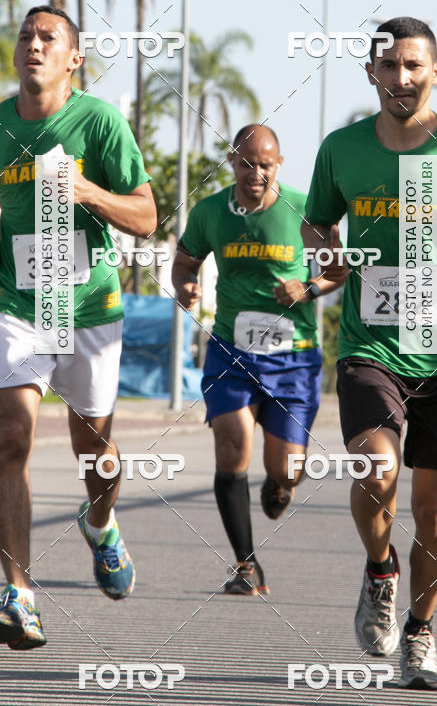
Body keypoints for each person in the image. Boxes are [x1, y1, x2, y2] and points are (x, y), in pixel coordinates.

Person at [302, 17, 437, 689]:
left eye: (413, 67)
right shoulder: (342, 149)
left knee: (433, 512)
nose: (401, 79)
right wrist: (324, 249)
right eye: (389, 67)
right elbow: (316, 218)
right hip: (370, 344)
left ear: (436, 71)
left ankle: (420, 634)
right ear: (371, 73)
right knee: (376, 469)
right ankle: (380, 569)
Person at [0, 6, 156, 648]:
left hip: (89, 311)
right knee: (11, 437)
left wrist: (88, 193)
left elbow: (148, 217)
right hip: (18, 307)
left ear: (74, 59)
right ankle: (20, 595)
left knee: (93, 454)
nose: (34, 45)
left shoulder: (98, 121)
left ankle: (100, 526)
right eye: (25, 36)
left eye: (49, 38)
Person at [172, 124, 334, 595]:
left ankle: (279, 484)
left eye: (265, 164)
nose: (255, 173)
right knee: (231, 442)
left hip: (293, 359)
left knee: (285, 469)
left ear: (278, 164)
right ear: (232, 162)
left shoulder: (306, 210)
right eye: (246, 163)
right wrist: (185, 285)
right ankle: (245, 565)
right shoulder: (210, 212)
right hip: (230, 349)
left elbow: (338, 268)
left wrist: (308, 288)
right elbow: (185, 261)